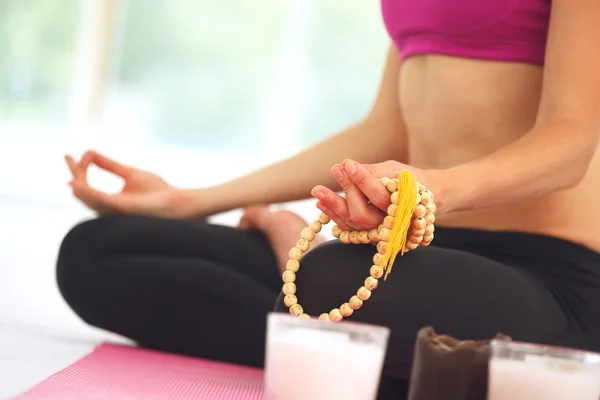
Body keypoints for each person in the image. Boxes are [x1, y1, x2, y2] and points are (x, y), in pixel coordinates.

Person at [57, 1, 600, 398]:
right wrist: (193, 200)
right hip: (410, 262)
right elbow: (387, 131)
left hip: (548, 278)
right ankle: (387, 354)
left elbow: (571, 142)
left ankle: (327, 312)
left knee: (325, 279)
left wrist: (431, 189)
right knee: (99, 253)